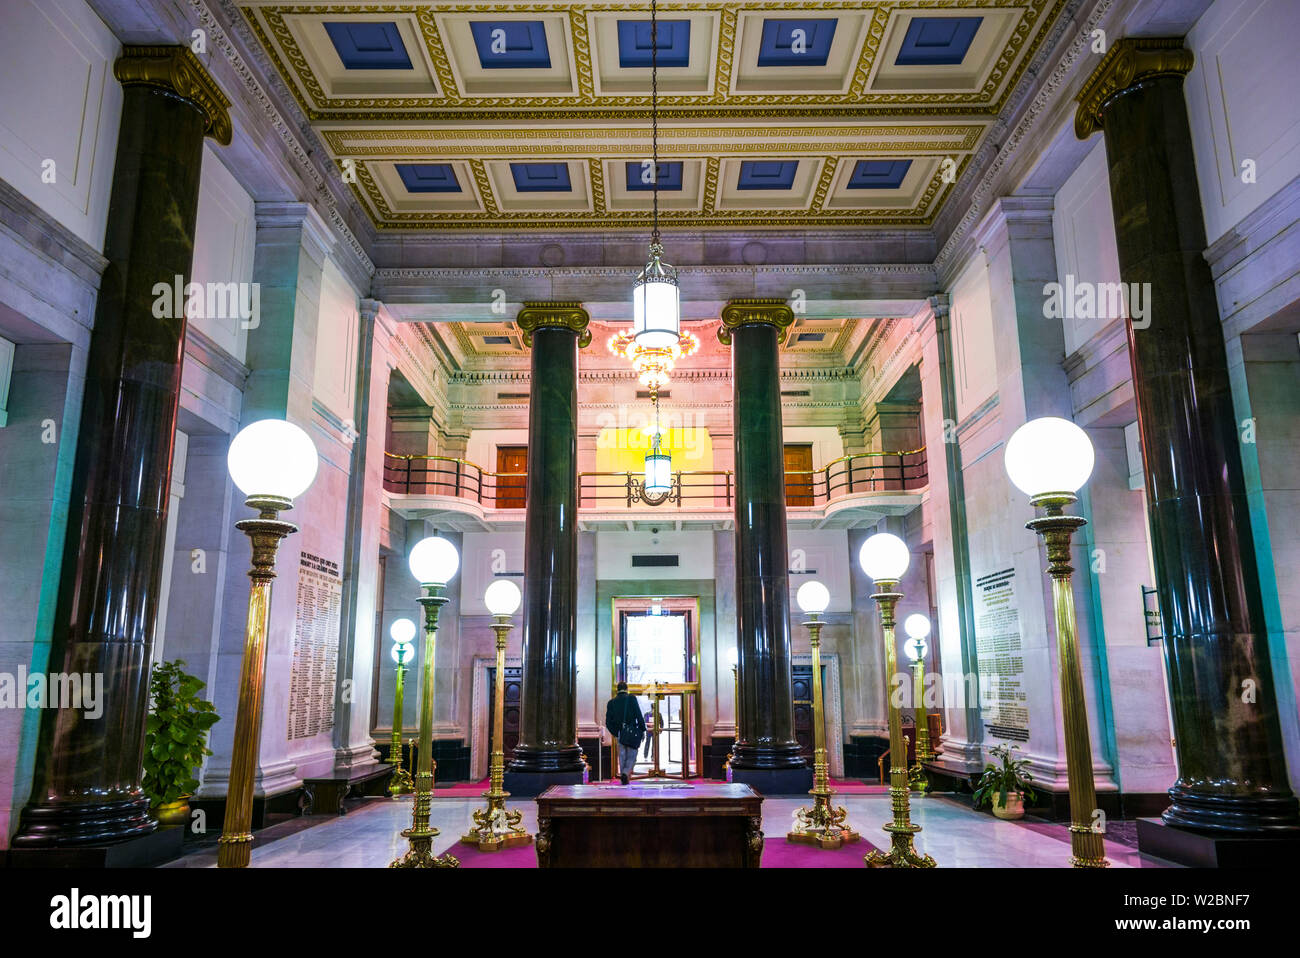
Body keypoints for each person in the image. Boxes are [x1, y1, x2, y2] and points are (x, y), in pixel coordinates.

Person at [604, 682, 645, 785]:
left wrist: (616, 732)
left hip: (620, 733)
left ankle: (623, 775)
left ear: (617, 690)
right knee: (632, 754)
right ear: (626, 689)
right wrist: (642, 729)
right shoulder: (631, 699)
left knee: (622, 754)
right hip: (632, 732)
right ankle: (626, 773)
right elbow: (638, 714)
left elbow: (608, 722)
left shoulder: (611, 702)